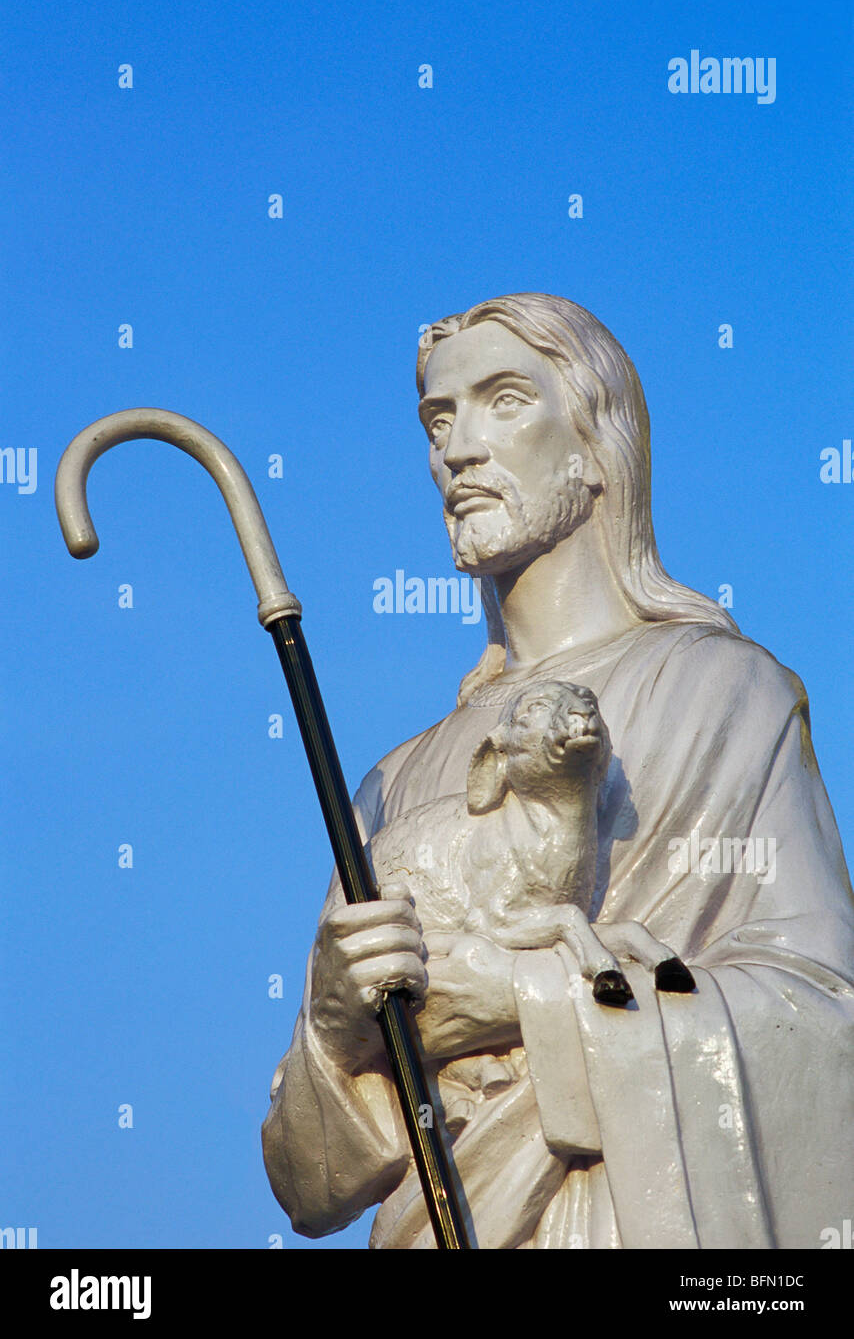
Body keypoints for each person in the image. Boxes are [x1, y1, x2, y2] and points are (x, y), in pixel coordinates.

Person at [262, 293, 854, 1249]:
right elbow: (308, 1186)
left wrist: (525, 1002)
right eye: (438, 419)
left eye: (503, 401)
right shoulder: (389, 783)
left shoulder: (719, 693)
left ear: (595, 446)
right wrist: (333, 1034)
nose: (457, 449)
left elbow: (827, 1018)